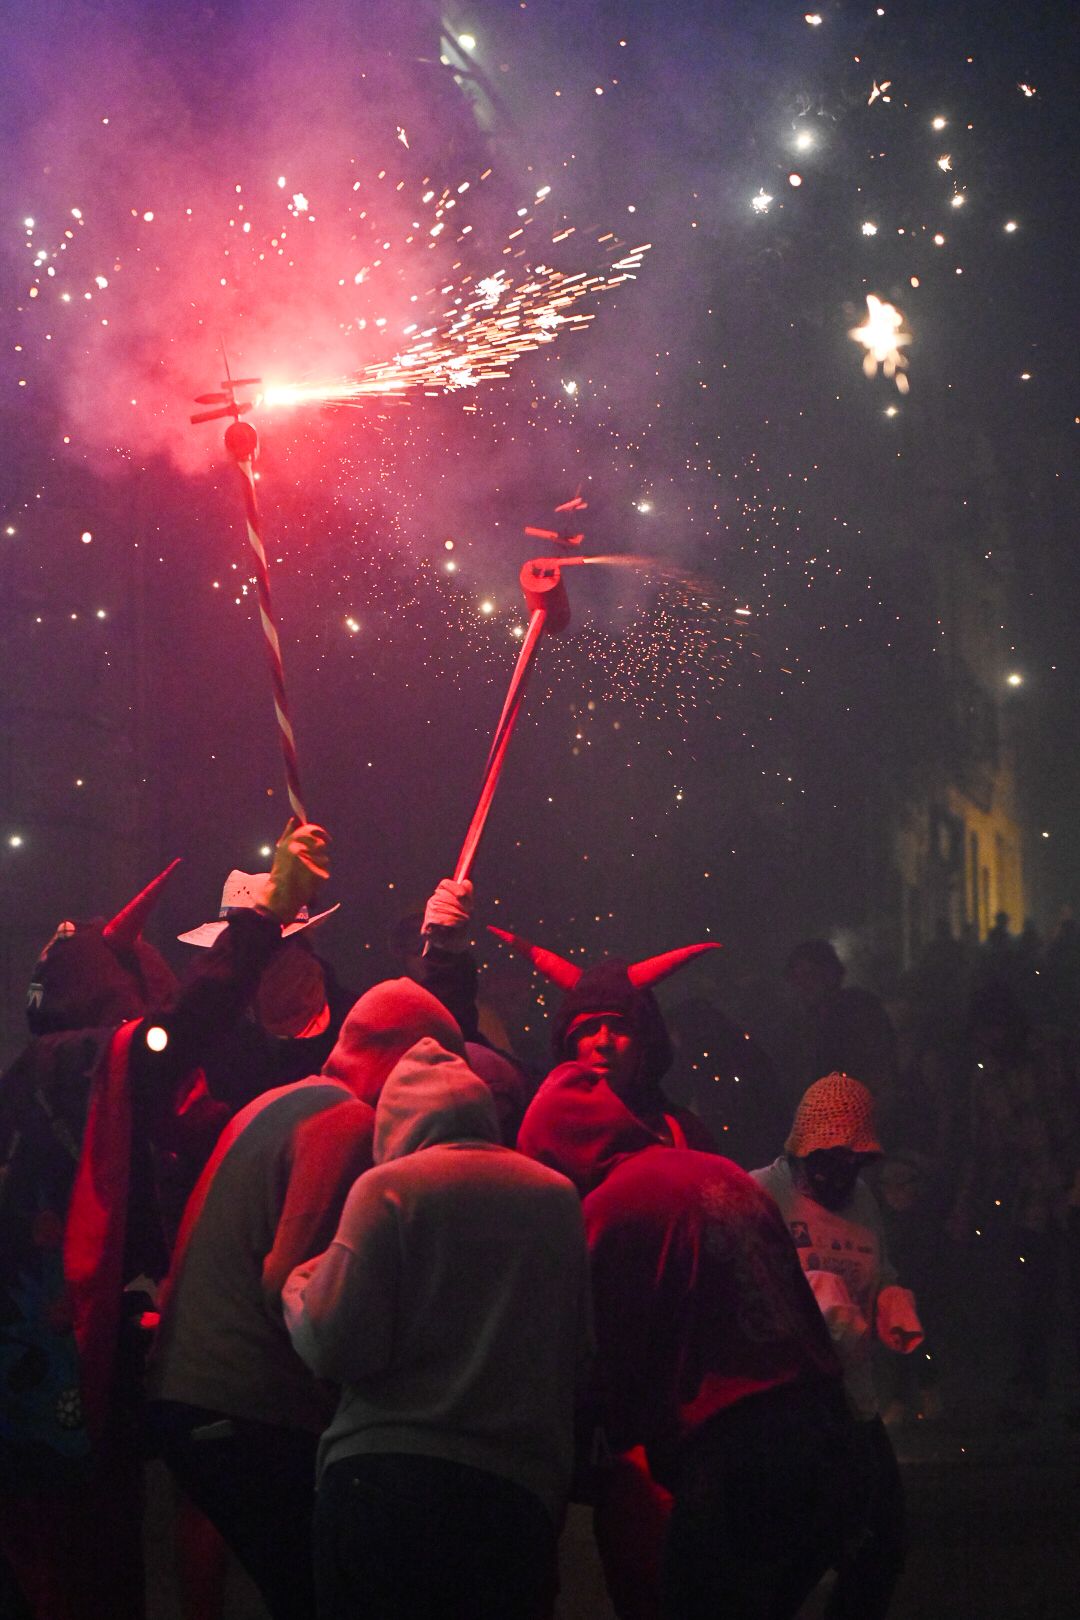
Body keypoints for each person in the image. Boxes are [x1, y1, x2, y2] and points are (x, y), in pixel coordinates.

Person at [0, 819, 328, 1620]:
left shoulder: (92, 1081)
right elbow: (166, 1044)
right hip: (44, 1365)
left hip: (98, 1359)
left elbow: (222, 1115)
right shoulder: (65, 1067)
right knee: (66, 1573)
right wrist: (264, 916)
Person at [147, 975, 466, 1620]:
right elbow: (285, 1283)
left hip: (187, 1393)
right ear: (406, 1058)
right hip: (244, 1407)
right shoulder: (347, 1119)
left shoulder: (268, 1104)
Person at [518, 1058, 851, 1620]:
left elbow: (597, 1357)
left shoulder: (609, 1208)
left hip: (735, 1445)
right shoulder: (721, 1171)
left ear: (560, 1153)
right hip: (821, 1423)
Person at [283, 1037, 592, 1620]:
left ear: (392, 1125)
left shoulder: (389, 1189)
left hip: (383, 1482)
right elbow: (577, 1355)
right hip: (514, 1500)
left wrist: (299, 1285)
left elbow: (333, 1343)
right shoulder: (557, 1199)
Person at [753, 1073, 923, 1620]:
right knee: (800, 1547)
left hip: (853, 1400)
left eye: (853, 1164)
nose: (840, 1175)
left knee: (882, 1540)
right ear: (804, 1149)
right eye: (830, 1161)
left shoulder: (862, 1200)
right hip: (786, 1406)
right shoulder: (759, 1194)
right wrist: (811, 1297)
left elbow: (879, 1266)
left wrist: (892, 1297)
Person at [496, 930, 723, 1151]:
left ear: (645, 1043)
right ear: (569, 1042)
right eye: (590, 1028)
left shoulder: (687, 1136)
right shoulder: (544, 1130)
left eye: (620, 1028)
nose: (604, 1042)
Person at [780, 939, 897, 1115]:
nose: (804, 985)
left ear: (832, 975)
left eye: (811, 975)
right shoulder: (799, 1021)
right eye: (798, 978)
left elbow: (876, 1071)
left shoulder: (859, 1010)